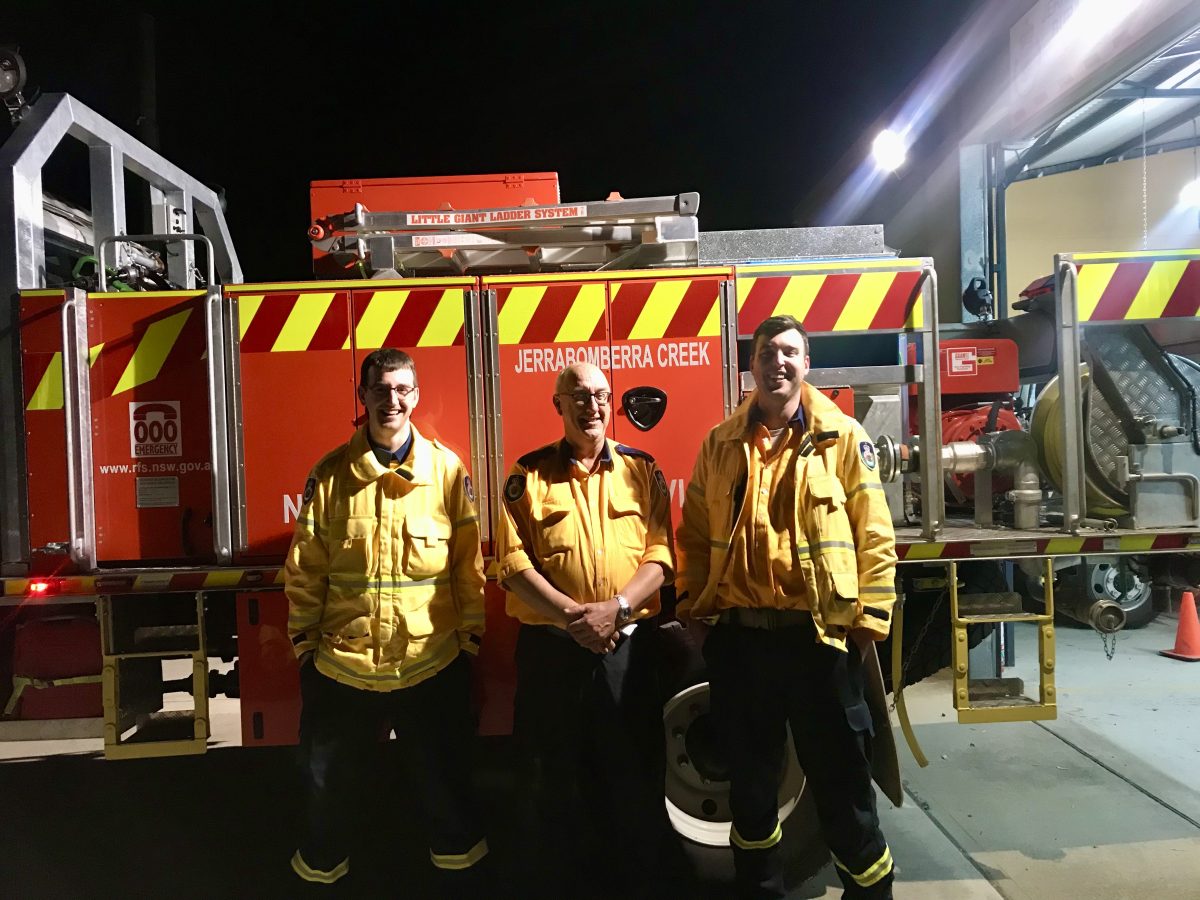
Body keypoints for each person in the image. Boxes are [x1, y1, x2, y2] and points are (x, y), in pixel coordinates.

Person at [678, 315, 898, 899]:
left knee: (842, 784)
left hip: (818, 642)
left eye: (790, 352)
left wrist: (870, 620)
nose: (778, 361)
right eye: (766, 352)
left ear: (807, 364)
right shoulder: (720, 443)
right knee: (751, 793)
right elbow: (695, 533)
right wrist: (693, 610)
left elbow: (873, 532)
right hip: (742, 643)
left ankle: (872, 891)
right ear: (750, 365)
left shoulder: (843, 437)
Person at [285, 347, 488, 887]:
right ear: (364, 396)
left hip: (431, 663)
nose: (391, 400)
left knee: (447, 793)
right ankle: (324, 878)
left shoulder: (446, 471)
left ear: (416, 396)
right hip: (343, 668)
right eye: (380, 389)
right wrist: (306, 649)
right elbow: (305, 570)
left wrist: (467, 644)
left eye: (402, 389)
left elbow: (468, 570)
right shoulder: (329, 476)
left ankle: (459, 881)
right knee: (327, 795)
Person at [493, 362, 683, 896]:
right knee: (552, 780)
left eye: (600, 394)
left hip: (627, 650)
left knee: (634, 777)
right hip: (553, 652)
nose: (591, 405)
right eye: (577, 395)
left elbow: (662, 555)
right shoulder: (526, 476)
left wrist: (616, 610)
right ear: (558, 405)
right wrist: (574, 619)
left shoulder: (642, 471)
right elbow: (511, 564)